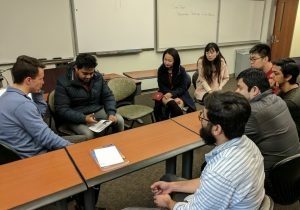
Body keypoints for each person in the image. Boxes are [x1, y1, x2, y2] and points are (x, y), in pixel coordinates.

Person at [124, 91, 265, 209]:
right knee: (168, 179)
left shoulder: (219, 173)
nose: (201, 121)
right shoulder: (249, 144)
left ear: (217, 129)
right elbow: (207, 182)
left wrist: (169, 203)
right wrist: (173, 186)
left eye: (202, 117)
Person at [235, 68, 300, 196]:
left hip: (271, 178)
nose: (236, 91)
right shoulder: (277, 99)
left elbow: (230, 139)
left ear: (254, 90)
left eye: (239, 88)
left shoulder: (253, 112)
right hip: (293, 172)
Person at [0, 55, 71, 158]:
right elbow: (46, 138)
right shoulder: (23, 105)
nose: (43, 82)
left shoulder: (7, 97)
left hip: (23, 151)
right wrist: (73, 148)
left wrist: (37, 93)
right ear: (29, 80)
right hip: (36, 155)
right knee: (81, 146)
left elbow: (39, 116)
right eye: (41, 79)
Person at [54, 53, 124, 140]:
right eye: (85, 73)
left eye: (91, 73)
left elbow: (108, 96)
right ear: (76, 68)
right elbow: (62, 109)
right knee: (89, 135)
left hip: (96, 110)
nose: (89, 77)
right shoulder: (63, 82)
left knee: (119, 120)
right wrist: (84, 118)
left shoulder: (97, 77)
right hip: (75, 115)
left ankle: (118, 143)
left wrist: (111, 113)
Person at [154, 48, 196, 122]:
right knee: (172, 104)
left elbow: (183, 88)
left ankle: (175, 126)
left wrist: (173, 94)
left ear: (175, 61)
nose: (166, 62)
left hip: (180, 94)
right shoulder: (161, 69)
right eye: (165, 59)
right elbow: (161, 86)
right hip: (165, 93)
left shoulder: (181, 70)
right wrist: (170, 95)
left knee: (177, 107)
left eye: (170, 61)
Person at [271, 58, 300, 137]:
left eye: (276, 73)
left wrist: (268, 89)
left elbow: (270, 112)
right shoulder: (291, 87)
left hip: (293, 137)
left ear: (288, 77)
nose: (271, 76)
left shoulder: (290, 102)